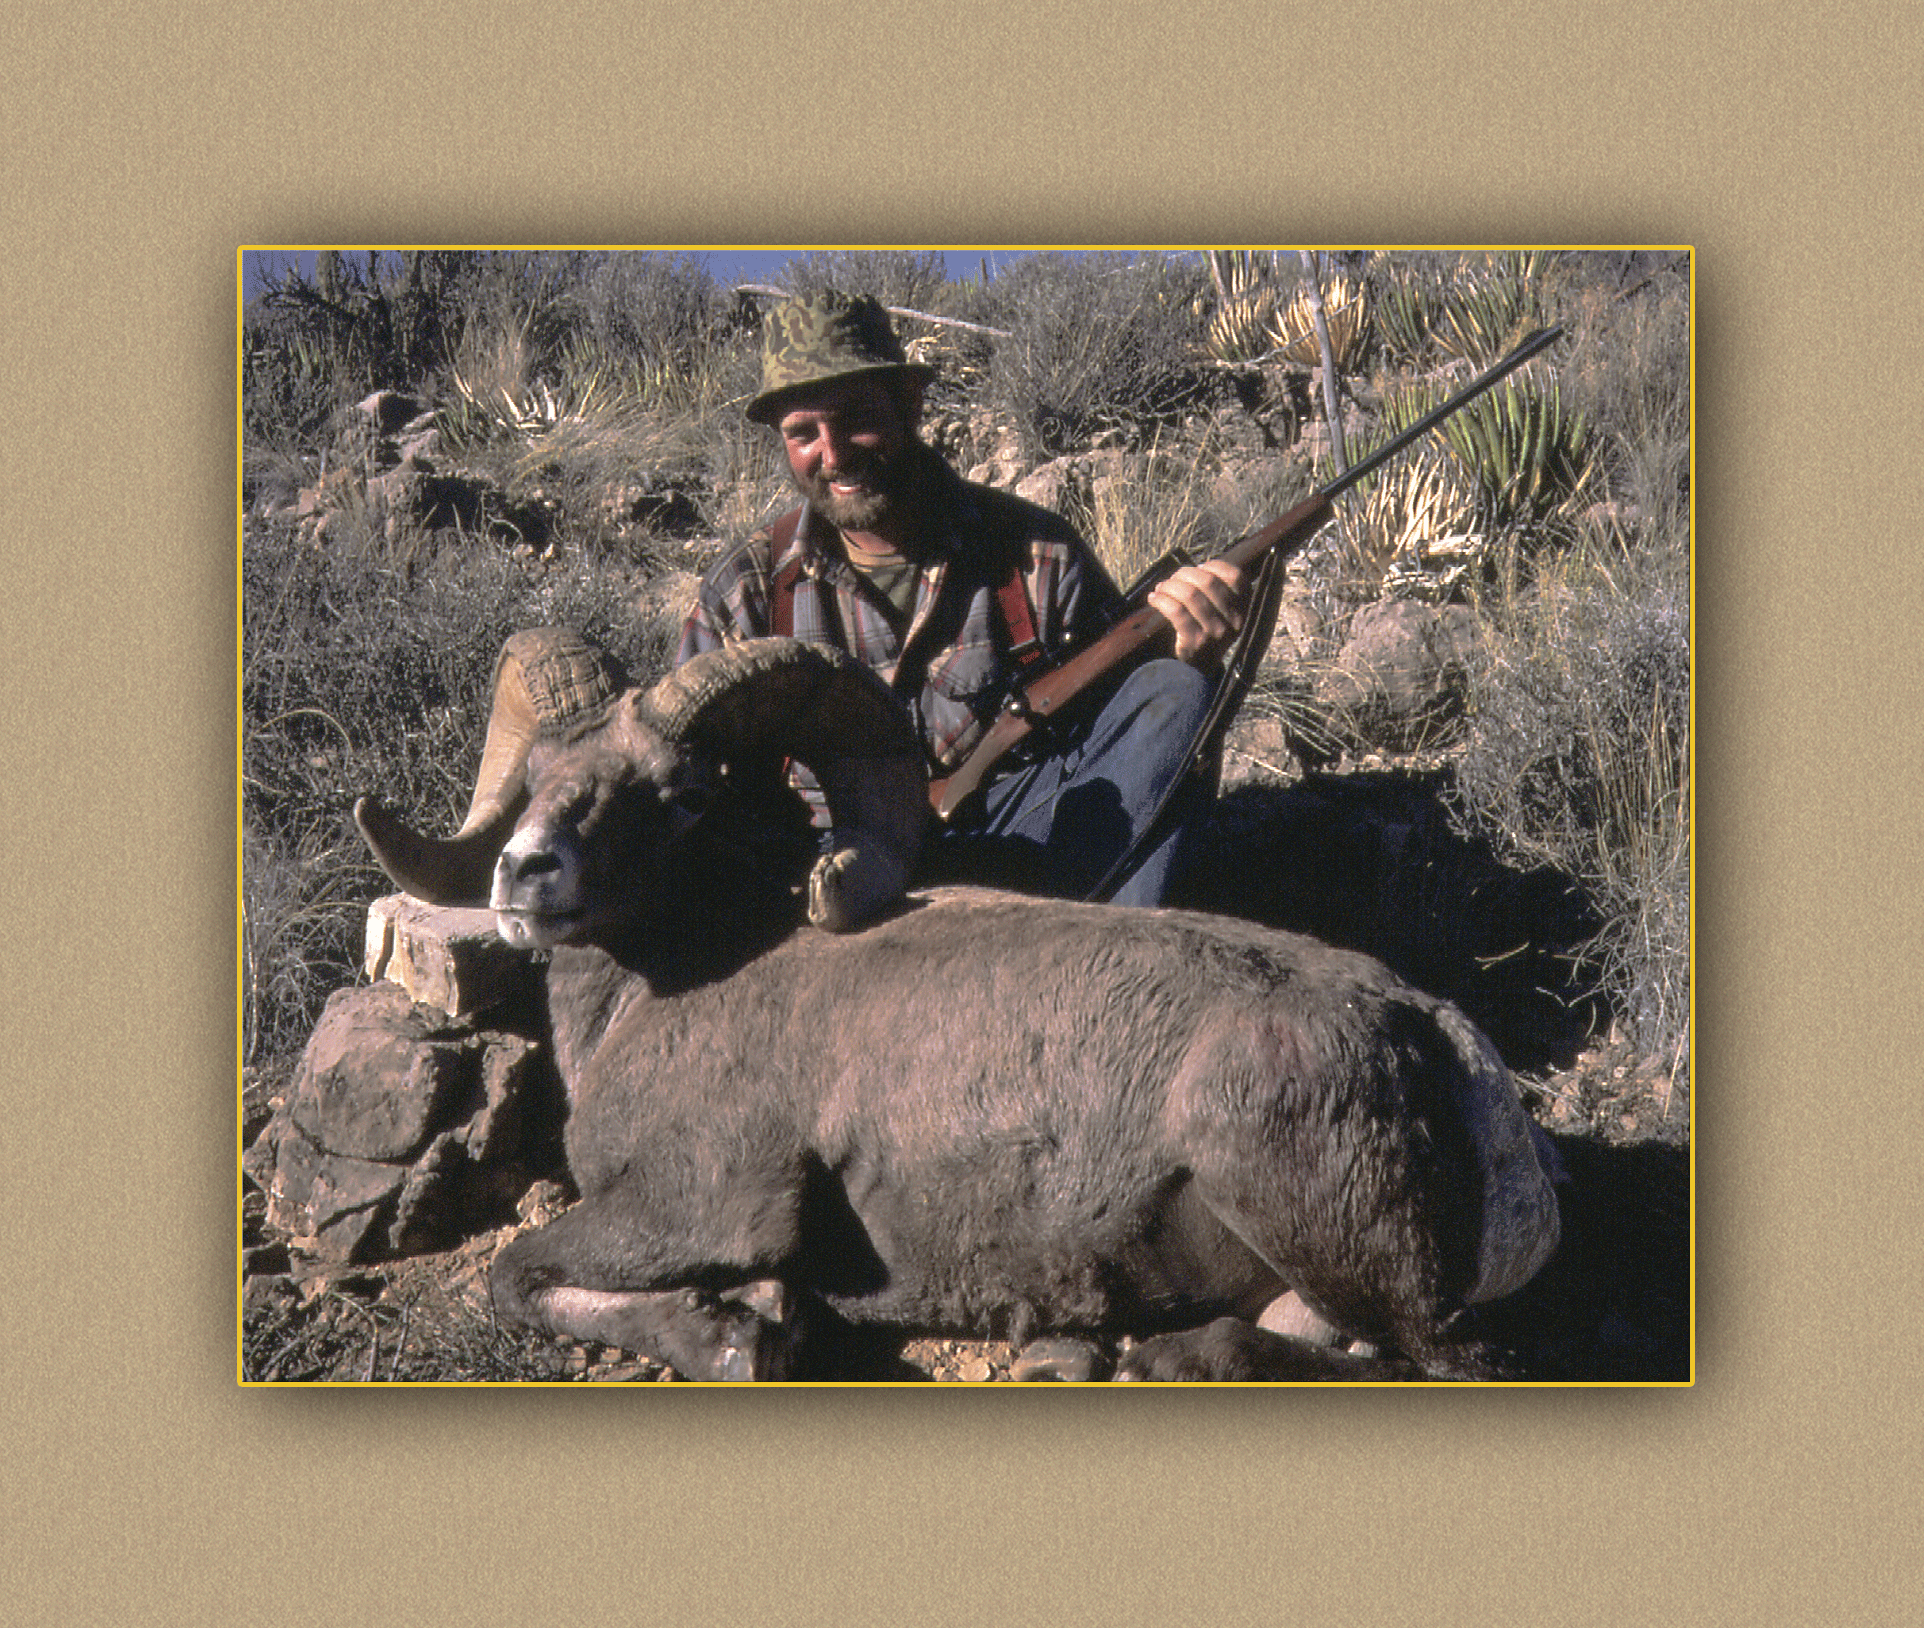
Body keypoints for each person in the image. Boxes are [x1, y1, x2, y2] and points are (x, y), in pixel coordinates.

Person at [677, 290, 1250, 908]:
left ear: (909, 404)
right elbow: (683, 774)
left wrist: (1191, 653)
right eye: (803, 433)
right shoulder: (746, 591)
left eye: (854, 419)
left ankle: (1115, 969)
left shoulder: (1038, 555)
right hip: (830, 885)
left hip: (1017, 843)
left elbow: (1126, 734)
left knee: (1173, 691)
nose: (833, 454)